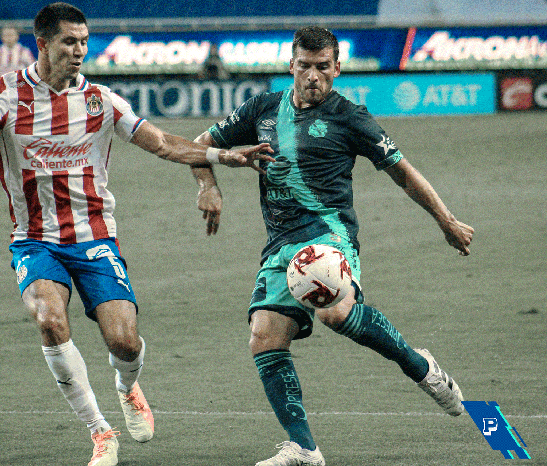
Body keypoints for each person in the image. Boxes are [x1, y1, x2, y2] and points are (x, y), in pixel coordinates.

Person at [0, 3, 272, 466]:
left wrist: (223, 157)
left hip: (95, 237)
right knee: (50, 319)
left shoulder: (100, 101)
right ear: (42, 44)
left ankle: (127, 386)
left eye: (84, 42)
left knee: (124, 342)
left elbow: (161, 143)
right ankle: (100, 432)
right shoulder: (2, 97)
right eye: (69, 41)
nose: (79, 50)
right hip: (34, 239)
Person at [191, 26, 474, 466]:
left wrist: (446, 220)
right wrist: (208, 186)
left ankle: (419, 367)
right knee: (264, 338)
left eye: (322, 67)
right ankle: (304, 449)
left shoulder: (350, 117)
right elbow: (200, 145)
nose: (313, 76)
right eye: (304, 66)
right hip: (280, 244)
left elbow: (403, 172)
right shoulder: (262, 108)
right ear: (291, 65)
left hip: (329, 236)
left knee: (334, 311)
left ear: (337, 68)